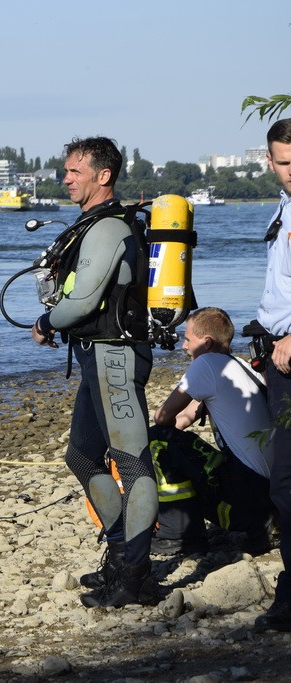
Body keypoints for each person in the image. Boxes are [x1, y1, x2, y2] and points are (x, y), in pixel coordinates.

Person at [30, 136, 157, 608]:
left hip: (116, 355)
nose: (65, 179)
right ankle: (121, 548)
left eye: (73, 172)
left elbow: (83, 300)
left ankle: (136, 575)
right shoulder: (91, 225)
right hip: (94, 356)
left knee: (133, 462)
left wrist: (45, 322)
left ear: (103, 176)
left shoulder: (107, 229)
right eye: (65, 171)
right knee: (82, 457)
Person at [150, 307, 274, 556]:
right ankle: (262, 523)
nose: (184, 346)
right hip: (271, 491)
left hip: (249, 494)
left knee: (157, 441)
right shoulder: (238, 365)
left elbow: (162, 417)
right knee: (173, 441)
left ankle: (180, 535)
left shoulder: (206, 364)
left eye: (187, 339)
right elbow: (183, 419)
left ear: (206, 343)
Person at [253, 118, 291, 632]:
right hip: (277, 356)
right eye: (284, 163)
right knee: (283, 481)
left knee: (287, 479)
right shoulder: (283, 208)